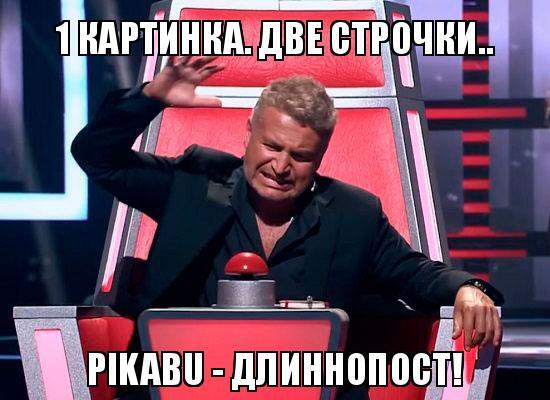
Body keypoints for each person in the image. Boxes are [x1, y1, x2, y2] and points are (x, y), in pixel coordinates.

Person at [72, 56, 503, 399]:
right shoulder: (195, 181)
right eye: (271, 146)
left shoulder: (354, 214)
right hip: (183, 385)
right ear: (248, 133)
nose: (280, 167)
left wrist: (467, 288)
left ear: (321, 155)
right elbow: (96, 157)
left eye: (299, 156)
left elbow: (414, 273)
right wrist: (148, 98)